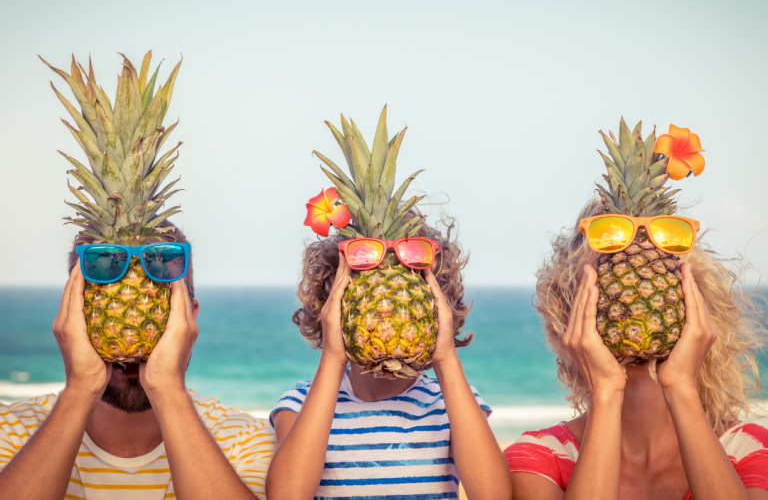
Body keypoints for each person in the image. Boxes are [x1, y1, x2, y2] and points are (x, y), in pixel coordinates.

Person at [504, 201, 768, 500]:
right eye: (616, 286)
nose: (635, 314)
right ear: (568, 306)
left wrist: (681, 387)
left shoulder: (748, 447)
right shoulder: (539, 458)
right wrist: (605, 391)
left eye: (652, 283)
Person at [0, 229, 275, 500]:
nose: (129, 340)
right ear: (69, 316)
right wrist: (80, 389)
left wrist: (166, 388)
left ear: (190, 320)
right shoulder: (10, 428)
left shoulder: (245, 438)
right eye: (109, 312)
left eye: (152, 310)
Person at [265, 222, 513, 500]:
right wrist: (333, 359)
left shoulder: (450, 404)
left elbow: (493, 495)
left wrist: (445, 359)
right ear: (336, 304)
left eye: (402, 289)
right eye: (369, 290)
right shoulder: (299, 403)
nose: (385, 307)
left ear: (430, 303)